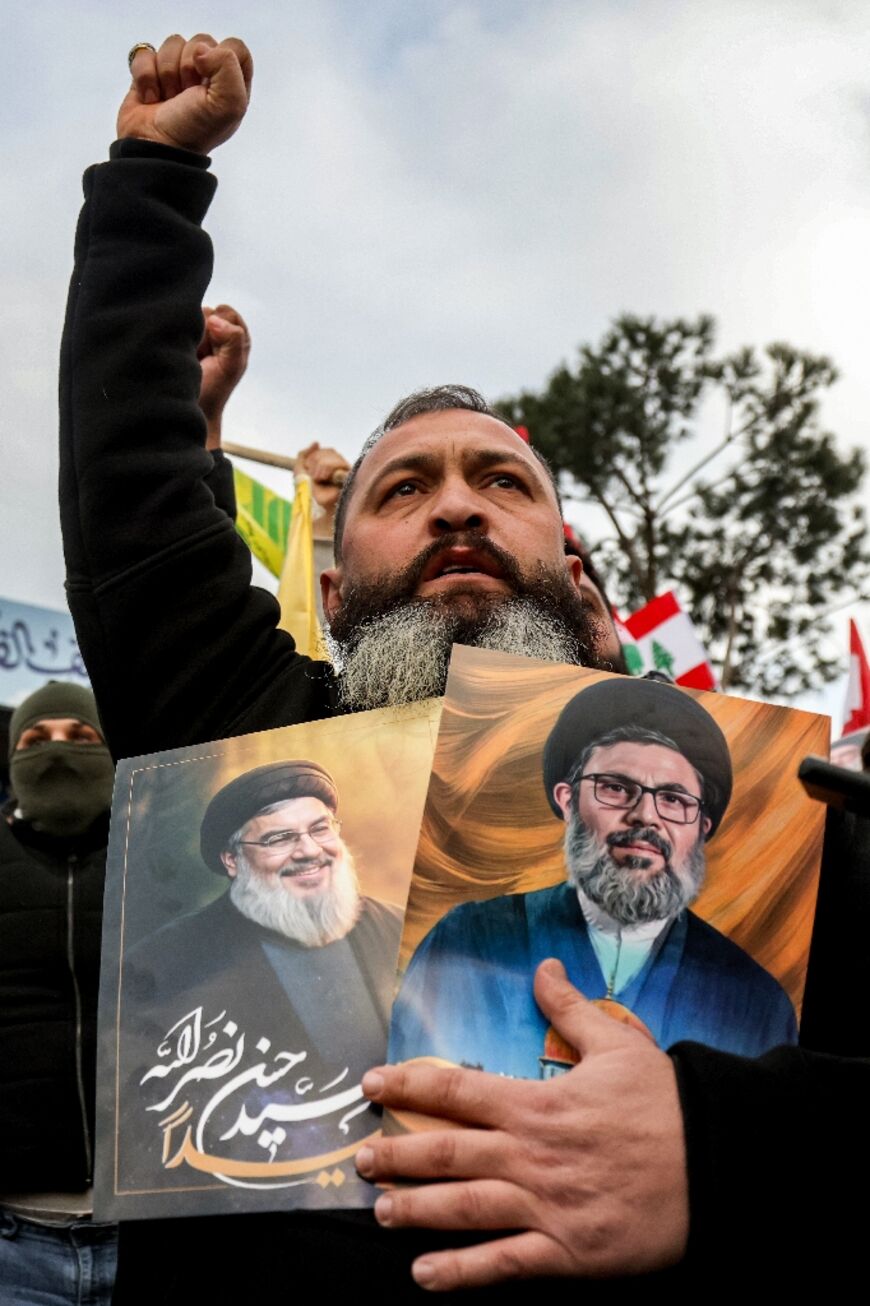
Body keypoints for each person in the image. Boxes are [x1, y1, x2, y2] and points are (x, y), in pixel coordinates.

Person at [59, 32, 870, 1299]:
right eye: (404, 488)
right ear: (335, 587)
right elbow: (136, 522)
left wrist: (713, 1146)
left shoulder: (789, 822)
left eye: (502, 481)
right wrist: (151, 182)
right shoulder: (255, 740)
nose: (455, 509)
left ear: (568, 558)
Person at [391, 677, 797, 1073]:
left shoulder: (756, 1003)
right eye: (617, 787)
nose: (645, 816)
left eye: (673, 799)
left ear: (702, 827)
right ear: (568, 801)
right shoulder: (466, 943)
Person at [119, 760, 401, 1200]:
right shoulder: (165, 964)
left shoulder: (398, 931)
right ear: (232, 860)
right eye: (279, 838)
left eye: (320, 829)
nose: (309, 850)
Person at [0, 682, 118, 1305]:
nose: (57, 752)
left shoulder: (158, 858)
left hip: (157, 1233)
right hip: (12, 1244)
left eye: (81, 737)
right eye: (35, 739)